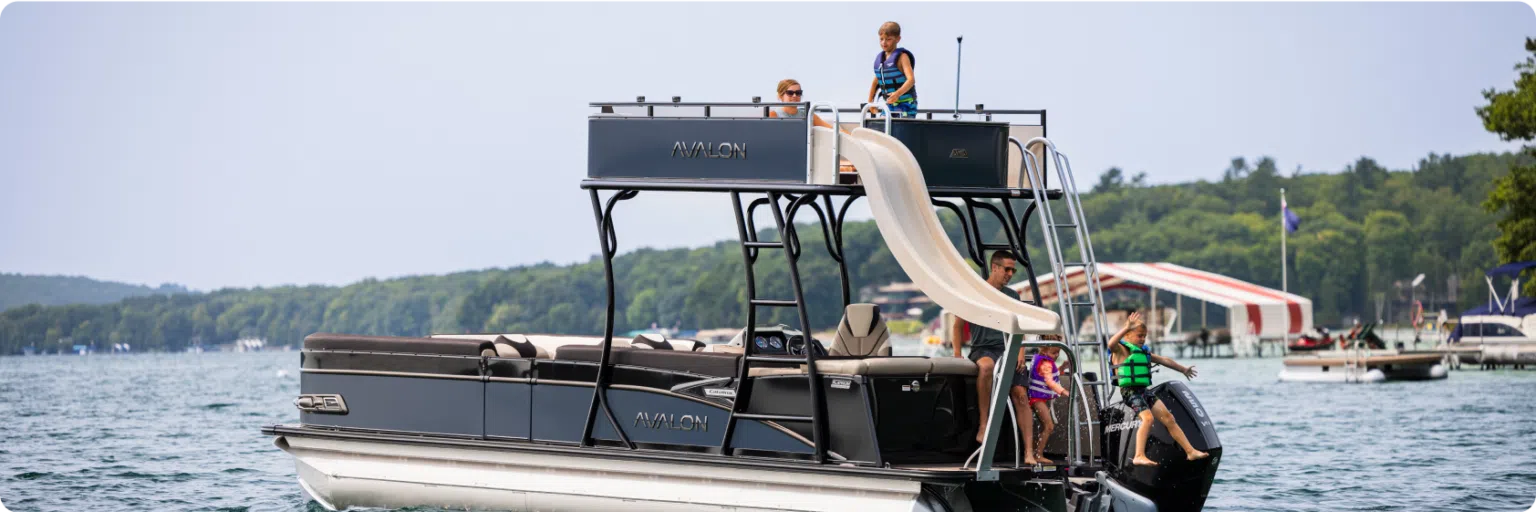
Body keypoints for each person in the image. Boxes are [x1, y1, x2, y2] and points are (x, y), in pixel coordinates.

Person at [1110, 311, 1210, 466]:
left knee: (1169, 418)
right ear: (1128, 335)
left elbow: (1164, 360)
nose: (1142, 339)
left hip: (1143, 390)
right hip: (1130, 392)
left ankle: (1190, 452)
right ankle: (1139, 455)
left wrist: (1183, 369)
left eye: (1144, 336)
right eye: (1139, 336)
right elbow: (1110, 344)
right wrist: (1125, 327)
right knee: (1148, 419)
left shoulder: (1143, 351)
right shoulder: (1121, 350)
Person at [951, 250, 1022, 443]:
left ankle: (1029, 449)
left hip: (1006, 349)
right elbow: (957, 326)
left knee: (1021, 392)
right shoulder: (974, 293)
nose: (1010, 274)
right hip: (982, 349)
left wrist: (1020, 352)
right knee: (986, 367)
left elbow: (1018, 327)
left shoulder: (1012, 295)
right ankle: (984, 424)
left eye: (1013, 271)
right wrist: (957, 355)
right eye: (1007, 269)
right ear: (995, 267)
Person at [1011, 335, 1069, 465]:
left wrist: (1062, 368)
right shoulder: (1044, 362)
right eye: (1054, 353)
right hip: (1036, 399)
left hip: (1038, 398)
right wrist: (1065, 392)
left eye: (1058, 353)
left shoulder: (1044, 361)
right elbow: (1050, 382)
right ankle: (1038, 454)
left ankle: (1038, 452)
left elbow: (1050, 375)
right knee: (1049, 426)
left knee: (1046, 425)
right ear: (1044, 351)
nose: (1056, 356)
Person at [867, 21, 917, 118]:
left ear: (898, 39)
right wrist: (870, 101)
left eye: (888, 39)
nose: (884, 43)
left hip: (906, 104)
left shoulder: (902, 57)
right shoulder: (881, 60)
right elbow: (875, 82)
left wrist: (897, 94)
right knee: (882, 125)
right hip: (889, 105)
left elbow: (911, 80)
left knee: (897, 127)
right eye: (881, 39)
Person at [768, 79, 836, 130]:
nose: (794, 96)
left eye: (798, 92)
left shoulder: (808, 115)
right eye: (790, 93)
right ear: (781, 96)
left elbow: (831, 129)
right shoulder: (773, 115)